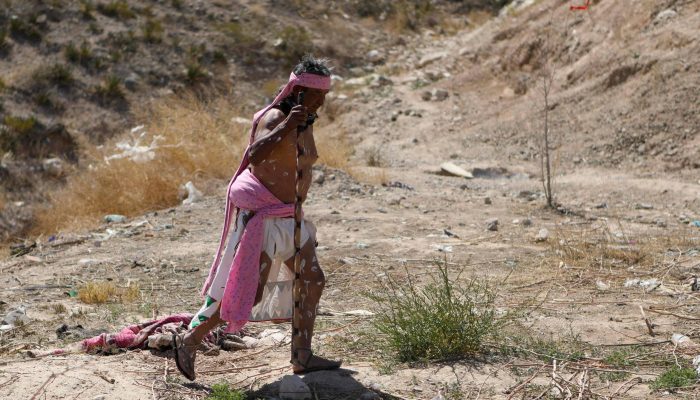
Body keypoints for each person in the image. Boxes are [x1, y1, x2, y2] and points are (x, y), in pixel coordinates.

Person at [172, 55, 342, 381]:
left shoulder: (304, 120)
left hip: (288, 219)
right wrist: (288, 125)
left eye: (324, 96)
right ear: (299, 90)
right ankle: (189, 341)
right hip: (264, 222)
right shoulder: (276, 116)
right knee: (250, 294)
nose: (323, 102)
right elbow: (256, 154)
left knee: (312, 281)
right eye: (318, 95)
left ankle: (302, 356)